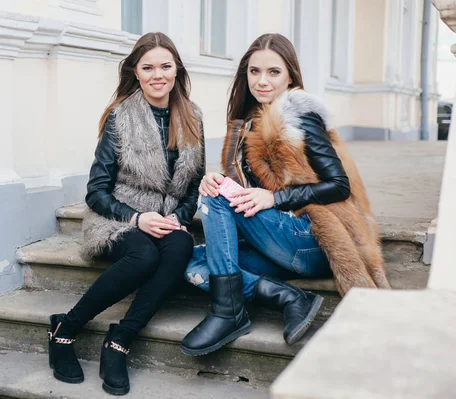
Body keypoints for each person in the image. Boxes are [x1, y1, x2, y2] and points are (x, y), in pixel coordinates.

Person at [181, 33, 389, 356]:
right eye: (254, 72)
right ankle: (288, 297)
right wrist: (216, 179)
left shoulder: (300, 115)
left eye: (273, 72)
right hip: (276, 241)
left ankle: (227, 313)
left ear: (290, 75)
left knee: (217, 199)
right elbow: (252, 186)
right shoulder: (247, 124)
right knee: (190, 260)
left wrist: (274, 200)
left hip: (312, 238)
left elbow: (338, 184)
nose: (262, 81)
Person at [47, 32, 204, 396]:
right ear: (135, 72)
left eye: (165, 66)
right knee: (144, 254)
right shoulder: (120, 117)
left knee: (180, 246)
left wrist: (180, 216)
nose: (157, 75)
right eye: (148, 67)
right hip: (118, 219)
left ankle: (120, 339)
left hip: (165, 218)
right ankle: (65, 329)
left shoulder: (193, 116)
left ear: (177, 69)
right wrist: (137, 218)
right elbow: (96, 192)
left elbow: (193, 183)